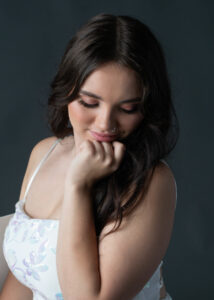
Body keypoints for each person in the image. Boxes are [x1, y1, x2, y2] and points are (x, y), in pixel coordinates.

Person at [1, 13, 179, 300]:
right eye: (90, 103)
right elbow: (23, 276)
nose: (105, 124)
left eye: (128, 108)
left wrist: (78, 185)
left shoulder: (153, 182)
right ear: (68, 91)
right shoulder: (43, 153)